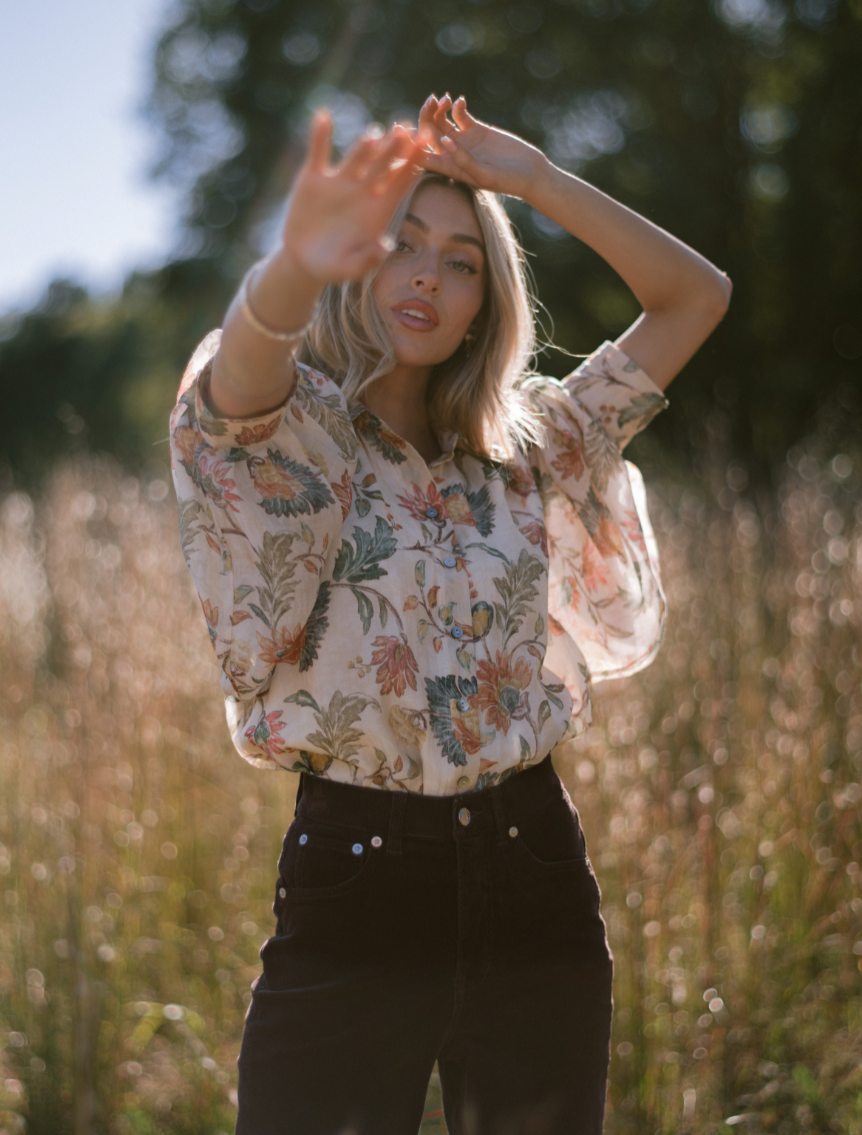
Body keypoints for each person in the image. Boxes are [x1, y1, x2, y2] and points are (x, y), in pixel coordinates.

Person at [170, 93, 731, 1135]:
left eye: (461, 260)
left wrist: (538, 182)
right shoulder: (294, 437)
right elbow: (239, 375)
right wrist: (298, 258)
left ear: (487, 298)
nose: (427, 274)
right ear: (357, 264)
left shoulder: (535, 446)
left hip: (535, 871)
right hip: (357, 883)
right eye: (400, 245)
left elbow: (696, 296)